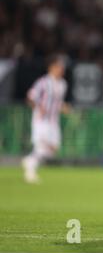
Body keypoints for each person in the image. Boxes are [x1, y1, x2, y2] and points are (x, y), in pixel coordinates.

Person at [22, 54, 70, 184]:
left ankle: (29, 160)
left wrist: (63, 107)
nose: (61, 69)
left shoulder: (62, 84)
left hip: (54, 121)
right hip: (41, 120)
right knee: (41, 147)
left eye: (62, 67)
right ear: (51, 68)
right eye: (59, 67)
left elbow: (57, 103)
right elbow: (30, 97)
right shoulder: (43, 82)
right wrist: (38, 107)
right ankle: (30, 172)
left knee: (53, 149)